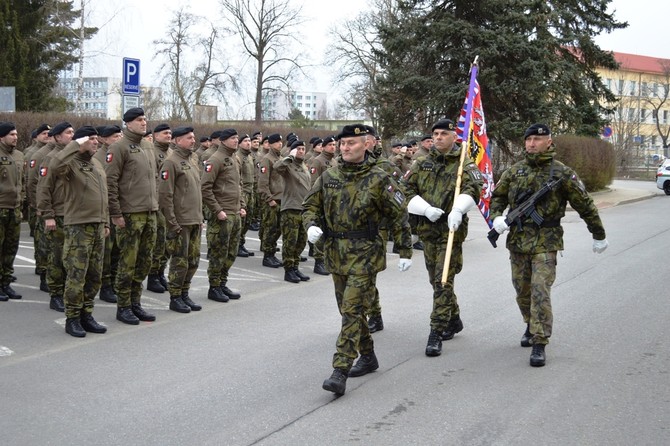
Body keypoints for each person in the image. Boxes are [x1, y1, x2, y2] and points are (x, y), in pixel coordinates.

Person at [303, 124, 412, 396]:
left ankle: (339, 370)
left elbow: (399, 213)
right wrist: (310, 225)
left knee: (351, 310)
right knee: (347, 309)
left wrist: (404, 249)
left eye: (351, 143)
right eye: (342, 144)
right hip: (336, 252)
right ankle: (369, 356)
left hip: (365, 252)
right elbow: (310, 206)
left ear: (366, 144)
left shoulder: (379, 177)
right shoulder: (329, 176)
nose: (345, 148)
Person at [489, 123, 608, 367]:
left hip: (547, 240)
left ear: (549, 142)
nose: (532, 143)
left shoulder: (562, 173)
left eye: (537, 139)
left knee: (539, 290)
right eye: (528, 139)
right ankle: (530, 325)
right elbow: (497, 198)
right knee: (521, 290)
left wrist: (598, 233)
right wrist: (497, 218)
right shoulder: (515, 171)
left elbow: (584, 204)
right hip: (518, 241)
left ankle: (540, 341)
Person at [402, 118, 483, 357]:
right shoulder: (421, 163)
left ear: (454, 137)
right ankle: (454, 318)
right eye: (435, 134)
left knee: (443, 281)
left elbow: (474, 189)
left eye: (443, 134)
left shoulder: (463, 164)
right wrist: (424, 208)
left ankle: (436, 332)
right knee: (436, 281)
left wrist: (458, 209)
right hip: (428, 231)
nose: (438, 138)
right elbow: (405, 189)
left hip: (451, 233)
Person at [52, 126, 109, 337]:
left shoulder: (96, 163)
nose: (96, 142)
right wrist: (75, 145)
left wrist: (106, 223)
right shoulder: (71, 163)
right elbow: (55, 165)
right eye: (91, 139)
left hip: (97, 225)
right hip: (79, 227)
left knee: (95, 275)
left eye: (96, 139)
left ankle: (87, 314)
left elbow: (104, 196)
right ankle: (72, 318)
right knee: (77, 275)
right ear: (81, 142)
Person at [105, 107, 158, 325]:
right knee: (127, 262)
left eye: (145, 119)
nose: (143, 123)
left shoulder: (147, 145)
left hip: (149, 212)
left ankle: (136, 303)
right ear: (128, 123)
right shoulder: (119, 147)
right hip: (130, 214)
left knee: (144, 262)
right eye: (138, 120)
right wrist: (116, 213)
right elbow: (110, 182)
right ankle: (124, 306)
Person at [158, 126, 203, 313]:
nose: (193, 140)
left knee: (193, 261)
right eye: (188, 138)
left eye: (193, 137)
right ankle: (175, 297)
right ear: (177, 141)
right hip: (180, 222)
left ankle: (185, 293)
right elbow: (165, 196)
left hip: (194, 219)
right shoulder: (171, 162)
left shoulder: (192, 160)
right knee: (180, 261)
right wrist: (172, 222)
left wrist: (200, 217)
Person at [201, 128, 245, 302]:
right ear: (224, 140)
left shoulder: (235, 158)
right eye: (233, 138)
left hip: (234, 213)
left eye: (237, 137)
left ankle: (222, 282)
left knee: (231, 252)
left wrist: (241, 205)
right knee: (219, 252)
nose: (236, 140)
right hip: (222, 214)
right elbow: (205, 188)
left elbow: (238, 185)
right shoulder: (215, 159)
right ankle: (214, 287)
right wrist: (217, 210)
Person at [37, 121, 75, 311]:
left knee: (71, 256)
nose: (72, 135)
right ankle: (56, 294)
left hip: (74, 214)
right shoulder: (50, 158)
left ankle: (68, 292)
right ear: (58, 137)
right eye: (68, 133)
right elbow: (43, 190)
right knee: (57, 256)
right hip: (58, 214)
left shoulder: (75, 156)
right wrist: (48, 215)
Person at [274, 140, 311, 283]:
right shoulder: (288, 165)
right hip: (291, 209)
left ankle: (295, 267)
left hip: (303, 208)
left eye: (303, 148)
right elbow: (277, 167)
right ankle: (288, 270)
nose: (301, 151)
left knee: (301, 241)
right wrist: (290, 156)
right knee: (290, 241)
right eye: (299, 149)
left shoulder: (304, 166)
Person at [93, 125, 122, 303]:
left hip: (119, 208)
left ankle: (113, 282)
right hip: (106, 211)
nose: (118, 139)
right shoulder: (99, 157)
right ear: (103, 139)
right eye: (114, 137)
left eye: (120, 136)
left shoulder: (118, 153)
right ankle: (105, 286)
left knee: (117, 250)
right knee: (107, 251)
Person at [147, 123, 173, 293]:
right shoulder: (151, 152)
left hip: (170, 203)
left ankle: (160, 272)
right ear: (156, 135)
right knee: (157, 243)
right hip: (157, 203)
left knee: (166, 243)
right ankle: (152, 276)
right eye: (165, 133)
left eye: (170, 133)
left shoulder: (171, 152)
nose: (169, 135)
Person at [0, 122, 24, 301]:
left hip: (14, 210)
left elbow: (22, 182)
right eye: (11, 134)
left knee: (11, 249)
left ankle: (6, 283)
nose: (15, 137)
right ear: (2, 137)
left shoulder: (18, 156)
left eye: (16, 134)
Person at [306, 135, 337, 276]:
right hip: (321, 200)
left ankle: (327, 259)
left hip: (334, 202)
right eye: (330, 144)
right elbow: (313, 183)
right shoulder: (317, 161)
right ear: (323, 146)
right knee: (320, 229)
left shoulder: (335, 161)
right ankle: (319, 262)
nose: (333, 147)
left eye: (334, 144)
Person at [257, 133, 284, 268]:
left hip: (282, 199)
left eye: (281, 142)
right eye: (277, 142)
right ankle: (267, 256)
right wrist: (269, 199)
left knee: (278, 228)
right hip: (272, 200)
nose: (280, 144)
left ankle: (272, 253)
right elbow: (262, 183)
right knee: (270, 228)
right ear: (271, 144)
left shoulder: (281, 159)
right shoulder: (267, 159)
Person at [236, 133, 256, 257]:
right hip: (243, 191)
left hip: (250, 190)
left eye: (249, 141)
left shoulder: (249, 157)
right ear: (240, 144)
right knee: (241, 221)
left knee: (248, 220)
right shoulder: (238, 156)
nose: (248, 143)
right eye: (245, 141)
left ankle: (241, 243)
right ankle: (237, 244)